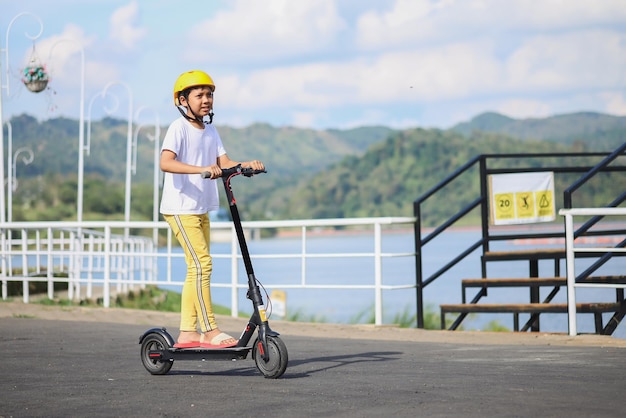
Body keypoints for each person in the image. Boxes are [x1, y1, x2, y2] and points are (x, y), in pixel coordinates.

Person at [159, 70, 265, 348]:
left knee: (195, 268)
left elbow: (225, 161)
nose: (206, 100)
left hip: (201, 207)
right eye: (199, 95)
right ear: (183, 100)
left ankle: (187, 332)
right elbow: (166, 162)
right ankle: (208, 330)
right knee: (202, 264)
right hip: (180, 207)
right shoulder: (178, 128)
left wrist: (246, 166)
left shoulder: (211, 130)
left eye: (210, 95)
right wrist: (201, 169)